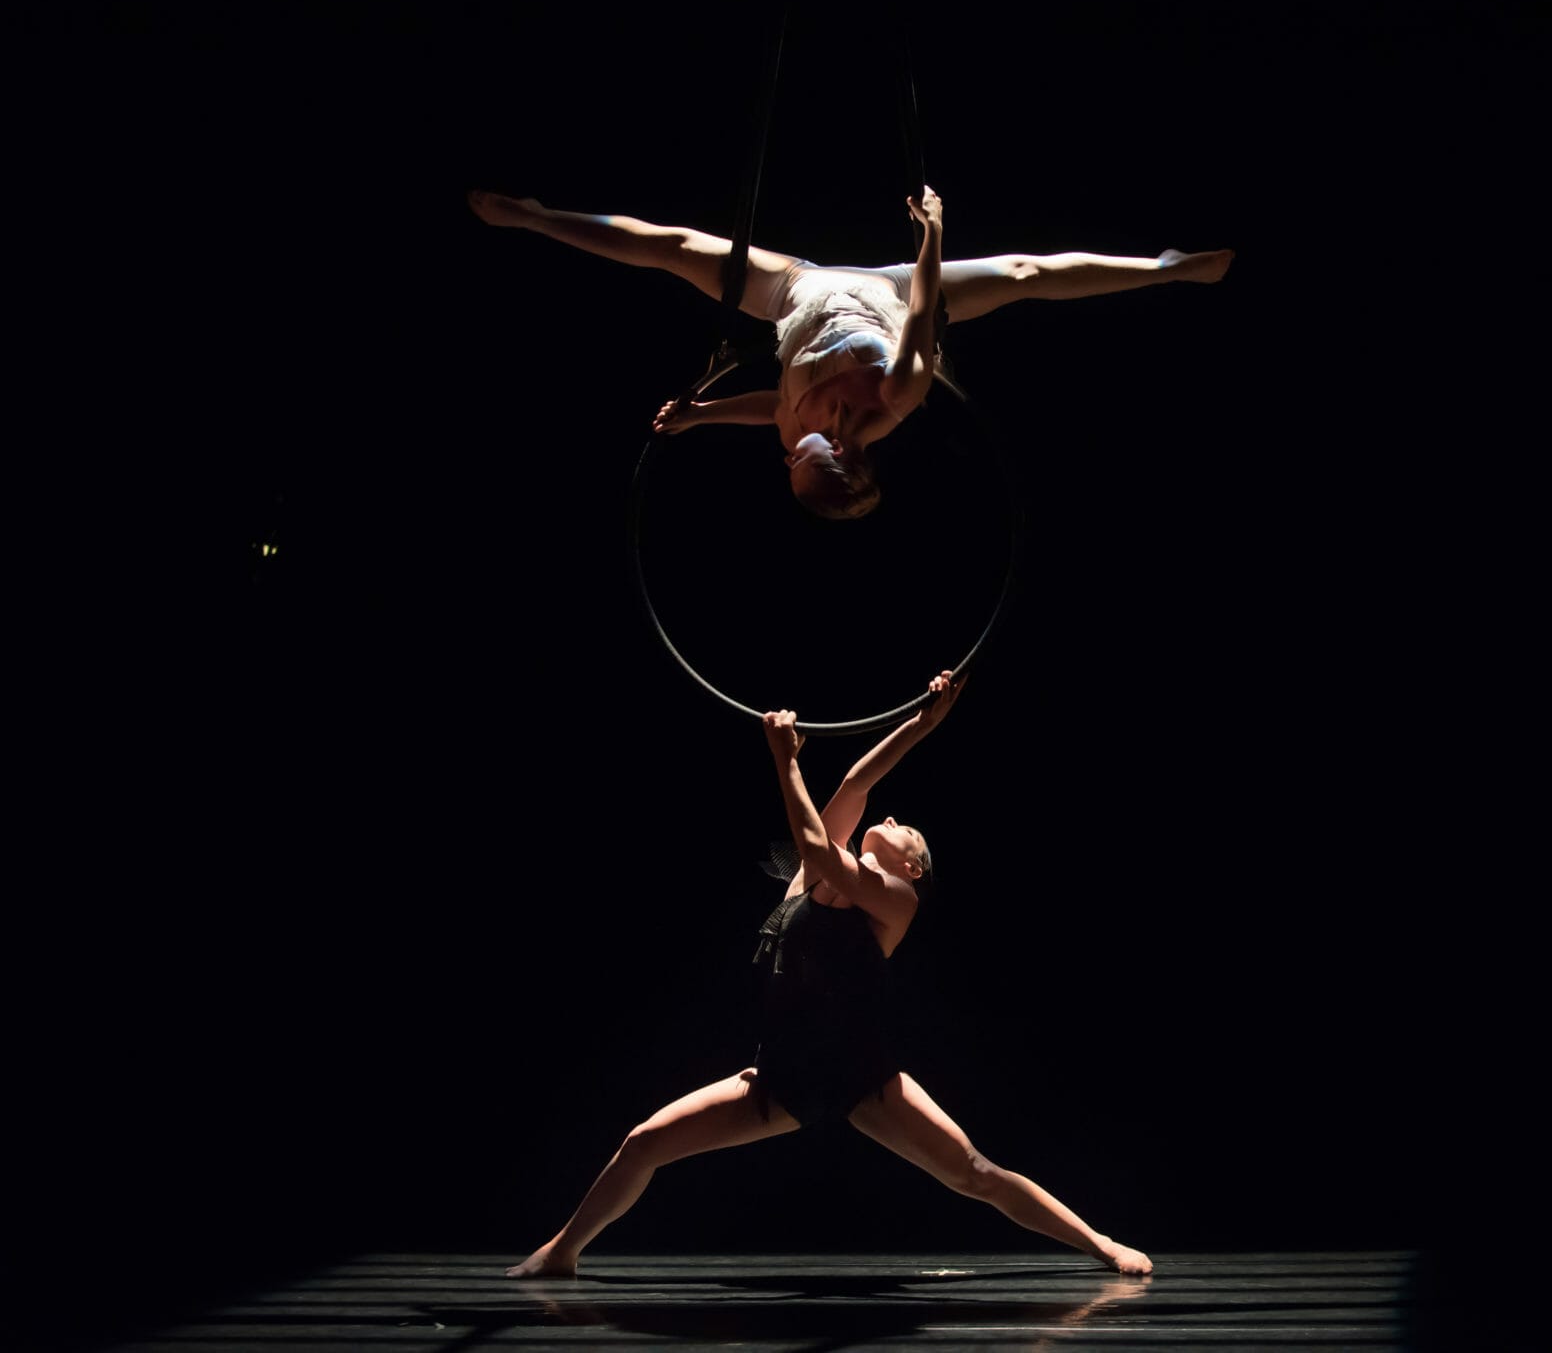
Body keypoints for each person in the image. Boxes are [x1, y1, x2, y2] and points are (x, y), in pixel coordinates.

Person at [504, 669, 1153, 1278]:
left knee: (974, 1171)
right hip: (781, 1077)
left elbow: (819, 841)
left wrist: (784, 759)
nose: (890, 818)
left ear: (915, 867)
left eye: (906, 828)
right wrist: (926, 720)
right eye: (891, 816)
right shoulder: (812, 880)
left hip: (864, 1077)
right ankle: (564, 1250)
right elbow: (856, 785)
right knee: (643, 1140)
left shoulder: (895, 902)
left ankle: (1100, 1242)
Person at [468, 185, 1232, 519]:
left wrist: (699, 417)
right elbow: (927, 308)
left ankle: (536, 219)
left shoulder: (792, 429)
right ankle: (1167, 268)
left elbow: (771, 407)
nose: (783, 451)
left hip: (795, 294)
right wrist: (932, 234)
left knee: (672, 248)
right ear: (834, 455)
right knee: (1026, 274)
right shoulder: (895, 398)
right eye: (797, 461)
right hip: (893, 293)